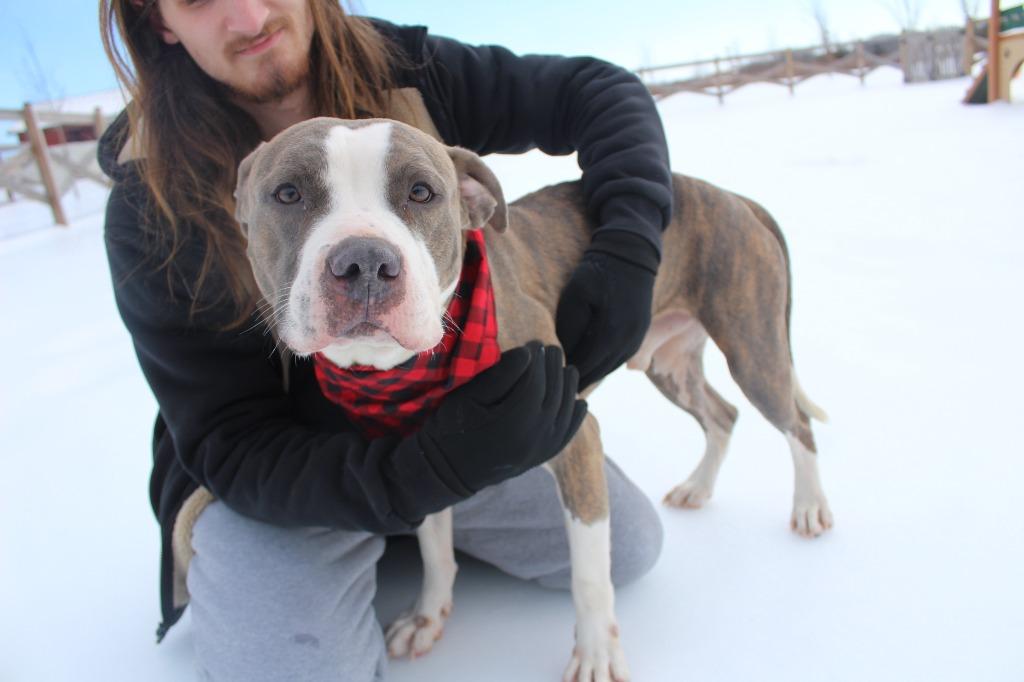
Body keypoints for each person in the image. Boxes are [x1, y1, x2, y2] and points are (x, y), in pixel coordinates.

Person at [99, 1, 674, 680]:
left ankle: (405, 537)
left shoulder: (404, 69)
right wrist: (428, 474)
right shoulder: (151, 197)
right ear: (159, 20)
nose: (248, 14)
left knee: (632, 545)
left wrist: (632, 246)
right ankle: (387, 538)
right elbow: (230, 441)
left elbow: (599, 91)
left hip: (436, 416)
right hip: (275, 478)